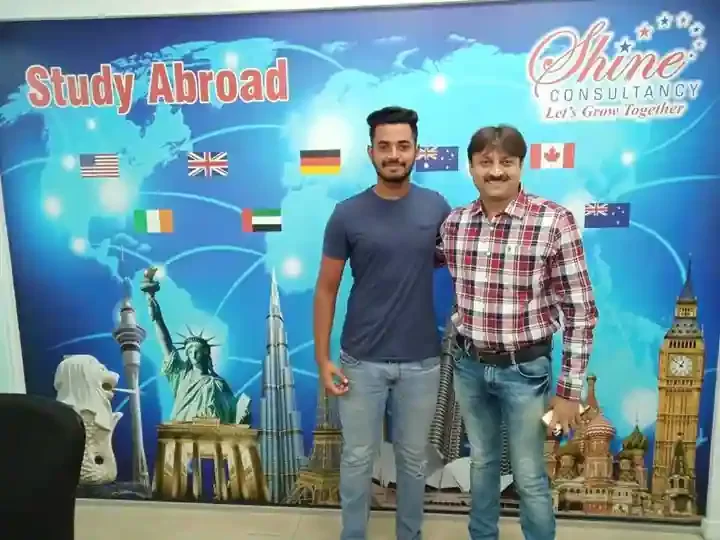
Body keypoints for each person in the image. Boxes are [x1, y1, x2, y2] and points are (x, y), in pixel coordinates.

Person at [439, 125, 598, 540]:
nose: (495, 171)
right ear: (471, 168)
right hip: (469, 367)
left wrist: (569, 392)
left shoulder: (554, 221)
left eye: (506, 162)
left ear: (521, 166)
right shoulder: (455, 224)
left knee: (529, 475)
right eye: (485, 162)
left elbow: (580, 311)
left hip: (526, 372)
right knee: (481, 465)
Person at [313, 106, 451, 540]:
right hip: (361, 361)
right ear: (370, 151)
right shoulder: (347, 214)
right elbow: (326, 290)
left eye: (403, 146)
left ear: (416, 151)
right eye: (385, 146)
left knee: (413, 461)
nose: (394, 154)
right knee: (357, 459)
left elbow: (460, 264)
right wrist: (323, 359)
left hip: (422, 362)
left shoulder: (436, 207)